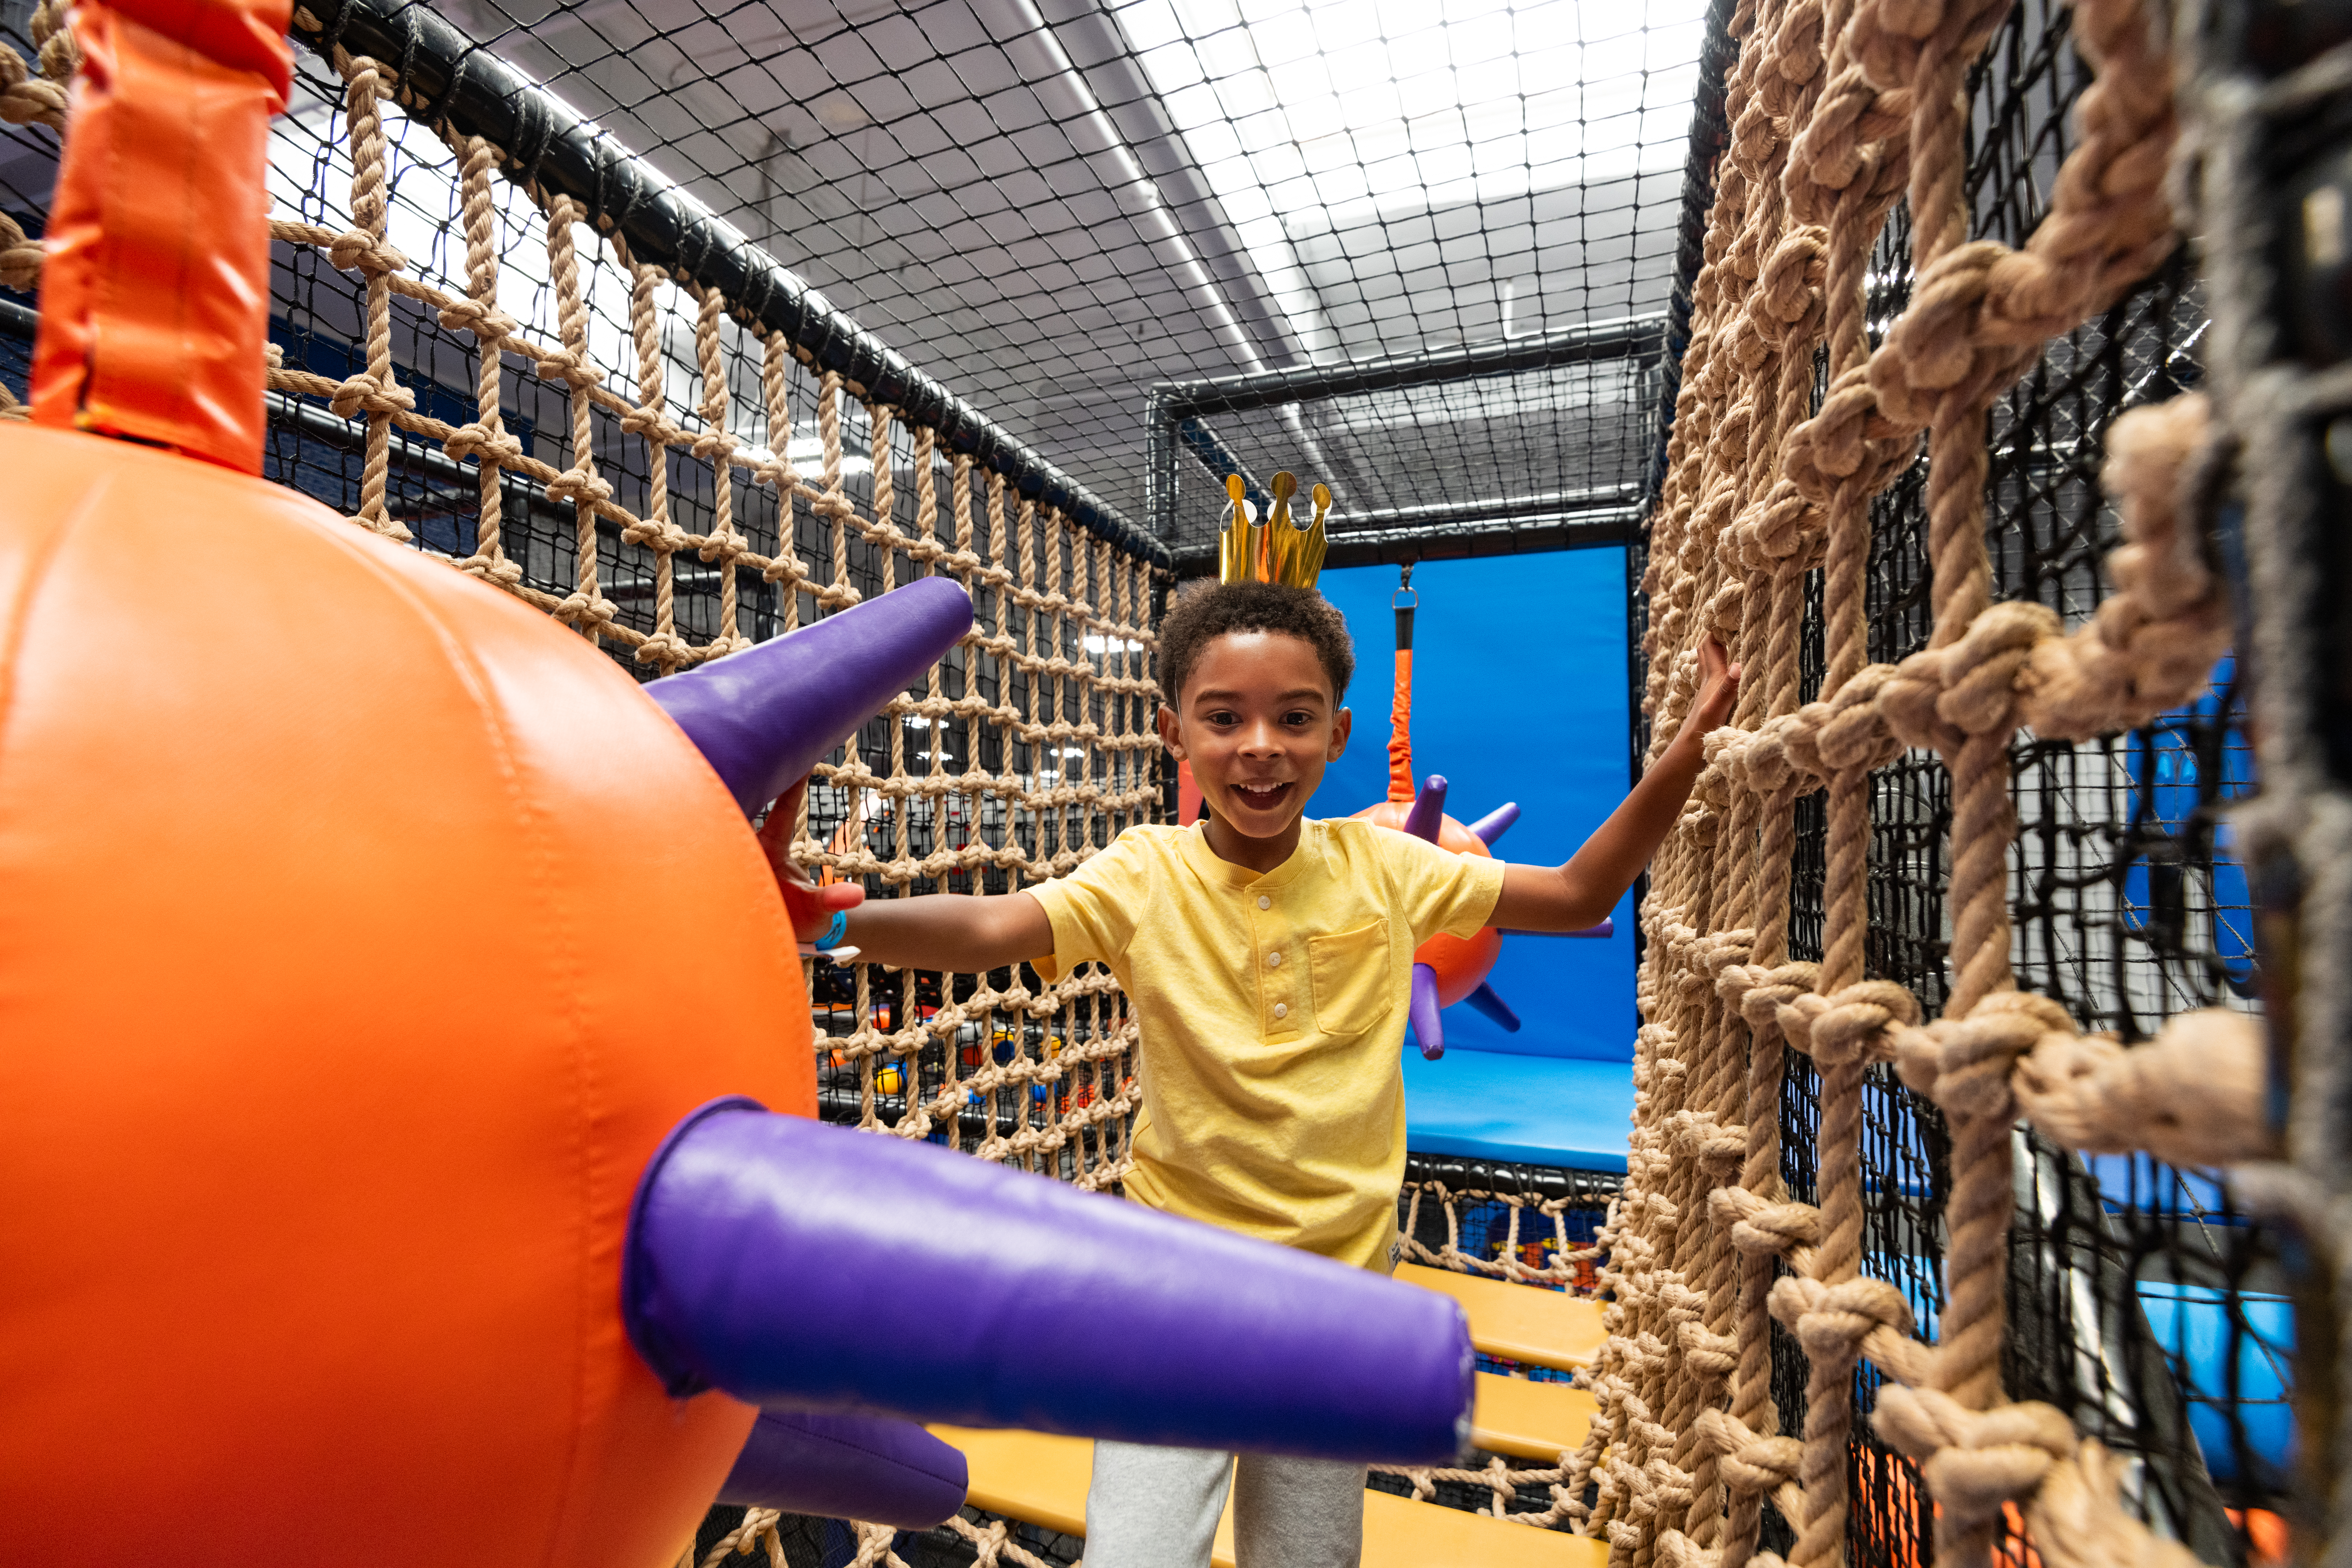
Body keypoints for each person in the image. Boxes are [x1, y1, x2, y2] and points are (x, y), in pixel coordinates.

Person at [764, 577, 1740, 1568]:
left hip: (1339, 1293)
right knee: (1136, 1553)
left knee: (1307, 1556)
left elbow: (1578, 896)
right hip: (1168, 1286)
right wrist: (841, 922)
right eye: (1224, 719)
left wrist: (1693, 745)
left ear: (1340, 734)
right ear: (1174, 734)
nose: (1261, 746)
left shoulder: (1386, 867)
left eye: (1295, 718)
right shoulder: (1143, 871)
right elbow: (992, 926)